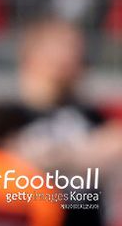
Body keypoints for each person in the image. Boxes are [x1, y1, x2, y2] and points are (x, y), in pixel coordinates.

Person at [12, 16, 122, 226]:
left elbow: (115, 146)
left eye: (74, 48)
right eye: (60, 46)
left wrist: (56, 157)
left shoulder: (91, 113)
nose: (70, 55)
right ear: (32, 55)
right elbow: (6, 164)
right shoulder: (9, 113)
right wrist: (85, 155)